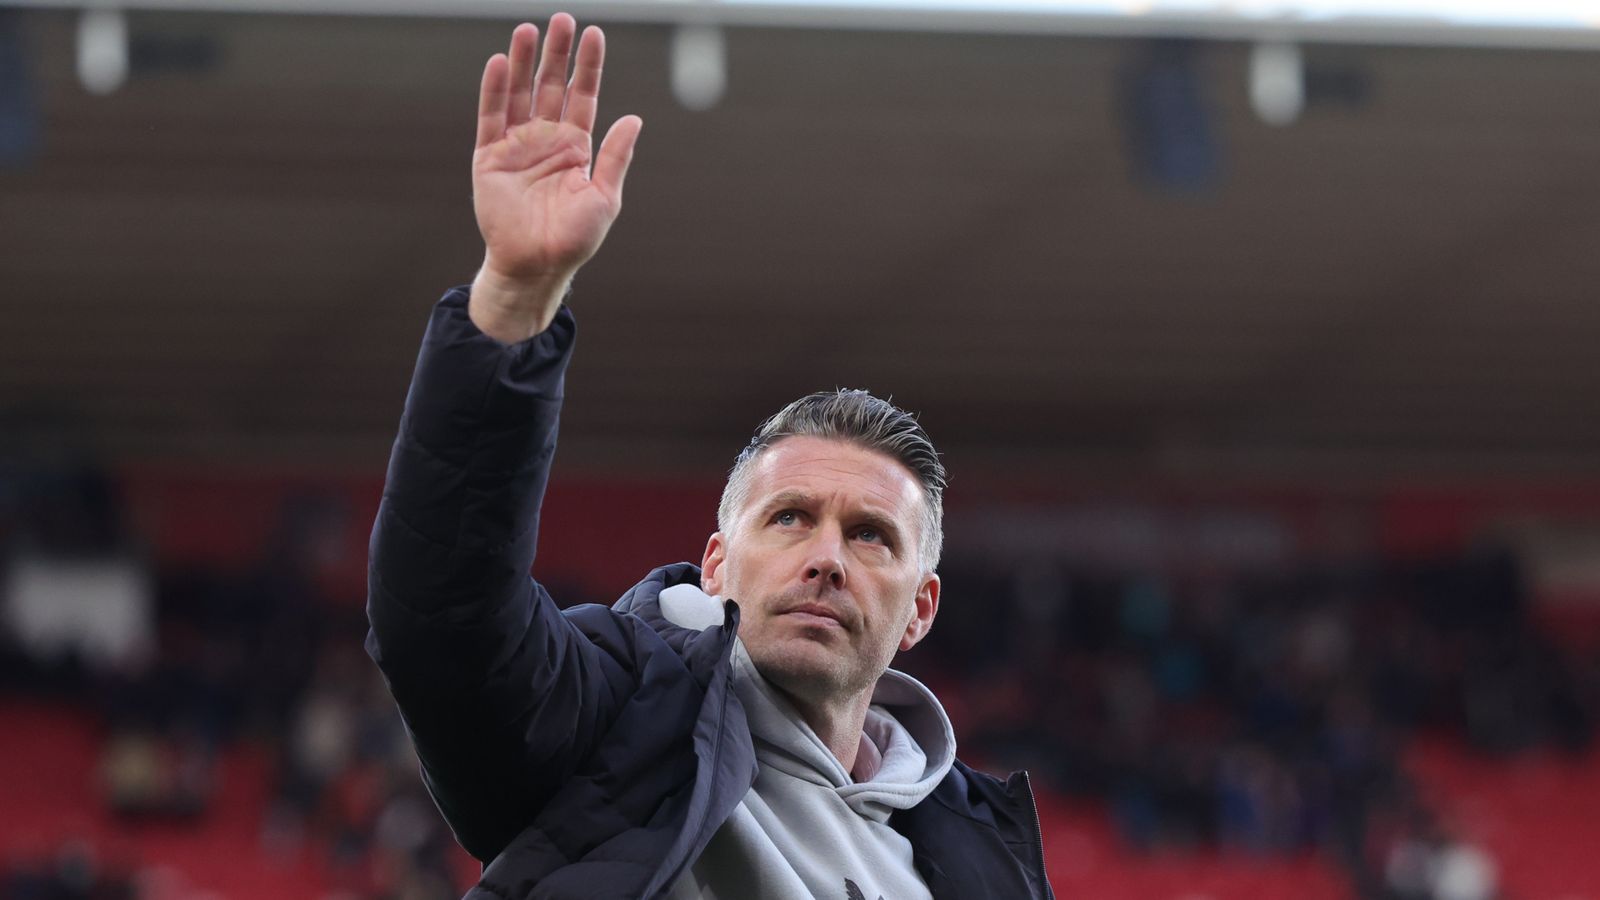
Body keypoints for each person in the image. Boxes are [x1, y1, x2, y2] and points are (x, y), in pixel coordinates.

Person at [365, 14, 1053, 899]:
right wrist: (514, 298)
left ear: (920, 609)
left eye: (872, 536)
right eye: (791, 517)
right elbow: (441, 626)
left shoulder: (980, 855)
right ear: (719, 563)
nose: (827, 559)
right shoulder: (615, 713)